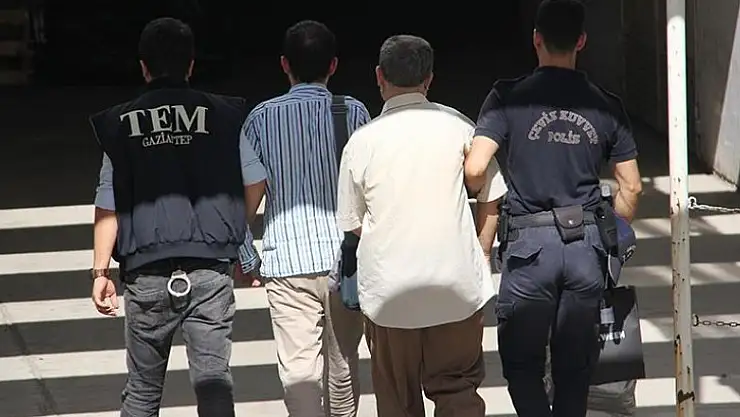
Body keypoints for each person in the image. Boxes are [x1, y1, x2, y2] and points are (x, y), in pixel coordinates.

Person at [464, 1, 643, 416]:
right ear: (581, 41)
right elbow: (632, 186)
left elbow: (475, 169)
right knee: (574, 368)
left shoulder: (506, 97)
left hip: (529, 251)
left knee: (523, 364)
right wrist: (611, 230)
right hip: (585, 249)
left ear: (536, 40)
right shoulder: (606, 104)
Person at [89, 17, 267, 417]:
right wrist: (235, 227)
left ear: (143, 67)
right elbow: (256, 180)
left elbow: (108, 201)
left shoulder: (121, 123)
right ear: (191, 65)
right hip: (209, 271)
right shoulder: (223, 115)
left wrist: (100, 271)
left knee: (142, 393)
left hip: (146, 273)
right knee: (214, 386)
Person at [337, 34, 507, 417]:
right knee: (458, 390)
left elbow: (353, 222)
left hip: (389, 297)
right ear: (429, 79)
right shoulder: (460, 127)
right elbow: (491, 194)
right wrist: (481, 251)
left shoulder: (362, 142)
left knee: (397, 399)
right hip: (456, 288)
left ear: (379, 77)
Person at [240, 20, 370, 417]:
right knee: (343, 364)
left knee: (299, 372)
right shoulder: (354, 111)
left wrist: (246, 255)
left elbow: (249, 195)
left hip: (287, 262)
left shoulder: (260, 119)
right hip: (346, 261)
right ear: (333, 65)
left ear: (284, 64)